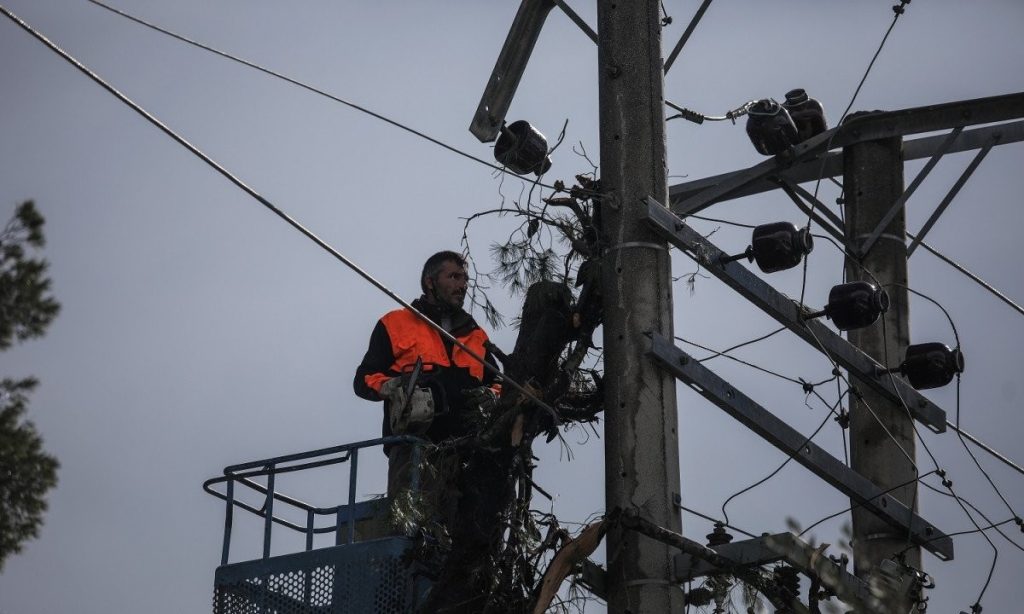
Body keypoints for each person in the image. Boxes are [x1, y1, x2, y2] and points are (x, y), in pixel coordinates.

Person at [353, 250, 501, 502]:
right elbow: (364, 379)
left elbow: (499, 383)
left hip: (469, 450)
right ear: (430, 282)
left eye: (465, 279)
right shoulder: (396, 323)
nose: (462, 285)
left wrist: (491, 396)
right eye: (453, 277)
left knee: (473, 531)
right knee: (413, 534)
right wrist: (393, 386)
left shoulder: (476, 336)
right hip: (414, 447)